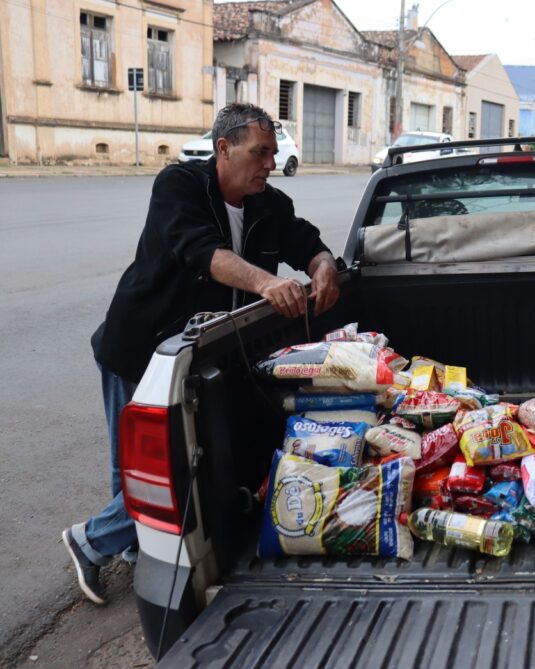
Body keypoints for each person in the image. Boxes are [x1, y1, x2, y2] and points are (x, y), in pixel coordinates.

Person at [62, 103, 341, 605]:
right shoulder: (179, 186)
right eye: (259, 153)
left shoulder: (267, 203)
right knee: (149, 467)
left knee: (156, 463)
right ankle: (90, 543)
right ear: (224, 148)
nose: (269, 164)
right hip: (141, 345)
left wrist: (323, 265)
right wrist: (267, 282)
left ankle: (131, 544)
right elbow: (202, 252)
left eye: (274, 154)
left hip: (200, 357)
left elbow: (307, 241)